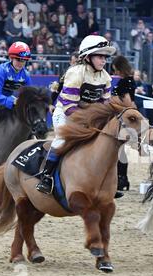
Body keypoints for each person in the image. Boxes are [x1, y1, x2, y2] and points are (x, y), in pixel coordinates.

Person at [36, 35, 116, 194]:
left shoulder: (106, 77)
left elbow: (104, 105)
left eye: (105, 57)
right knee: (61, 141)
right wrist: (87, 121)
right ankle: (46, 177)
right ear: (88, 57)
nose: (104, 60)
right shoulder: (75, 73)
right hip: (65, 114)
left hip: (88, 116)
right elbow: (69, 107)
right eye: (100, 56)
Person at [110, 55, 137, 194]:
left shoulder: (124, 82)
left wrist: (112, 101)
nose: (115, 73)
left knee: (118, 150)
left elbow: (127, 101)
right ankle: (122, 179)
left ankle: (120, 179)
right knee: (120, 150)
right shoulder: (129, 80)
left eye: (115, 69)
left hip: (121, 117)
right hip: (125, 117)